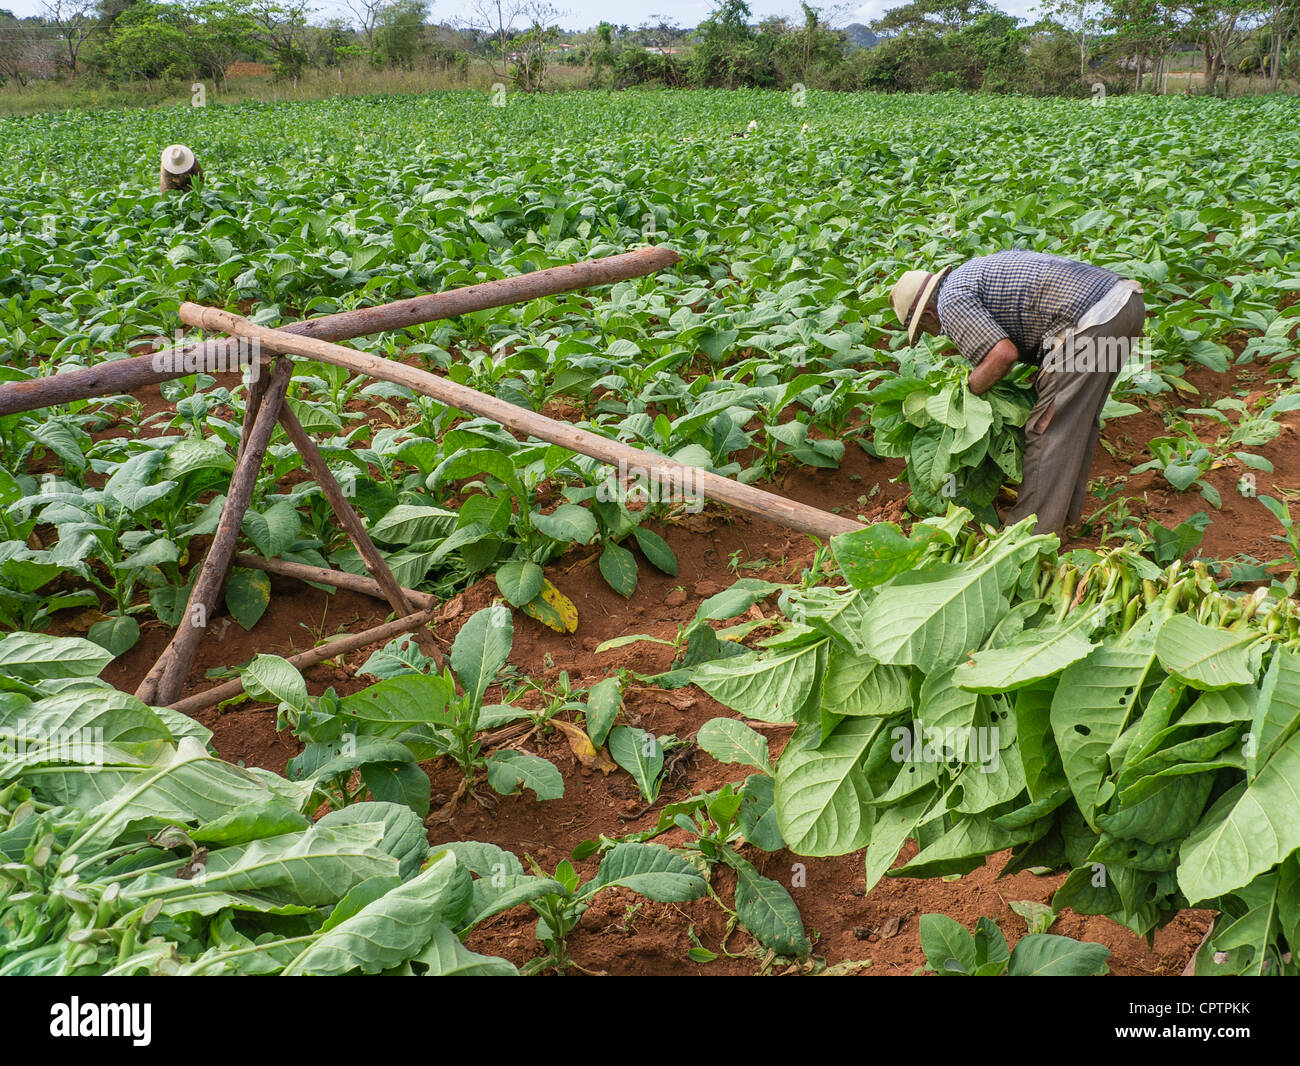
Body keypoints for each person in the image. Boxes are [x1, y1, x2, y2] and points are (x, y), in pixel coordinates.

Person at [889, 249, 1145, 537]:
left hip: (1093, 319)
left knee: (1047, 428)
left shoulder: (951, 301)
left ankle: (1030, 532)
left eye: (925, 327)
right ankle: (1065, 519)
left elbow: (1001, 355)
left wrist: (967, 392)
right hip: (1125, 305)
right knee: (1076, 423)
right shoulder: (969, 276)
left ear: (927, 312)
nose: (935, 335)